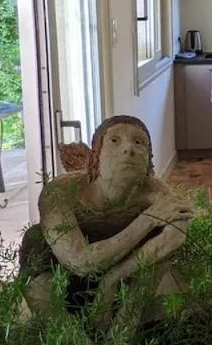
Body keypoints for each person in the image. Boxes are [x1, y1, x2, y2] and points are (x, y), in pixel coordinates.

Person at [19, 115, 194, 315]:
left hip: (122, 276)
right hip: (62, 275)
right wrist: (148, 219)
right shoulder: (62, 192)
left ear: (148, 161)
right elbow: (80, 261)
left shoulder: (153, 190)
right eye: (114, 141)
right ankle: (68, 336)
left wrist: (114, 277)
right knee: (35, 241)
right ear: (97, 155)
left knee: (160, 240)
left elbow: (178, 229)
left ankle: (127, 321)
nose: (128, 149)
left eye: (139, 142)